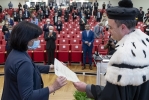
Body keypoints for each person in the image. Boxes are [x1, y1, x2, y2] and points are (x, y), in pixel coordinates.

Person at [73, 0, 149, 100]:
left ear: (123, 27)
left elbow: (111, 96)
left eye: (110, 27)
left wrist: (87, 88)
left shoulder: (123, 55)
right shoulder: (146, 42)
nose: (109, 31)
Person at [1, 21, 67, 100]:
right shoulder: (23, 62)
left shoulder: (15, 53)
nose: (38, 40)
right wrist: (53, 87)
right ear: (26, 39)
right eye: (36, 38)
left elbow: (32, 67)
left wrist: (52, 67)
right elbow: (28, 96)